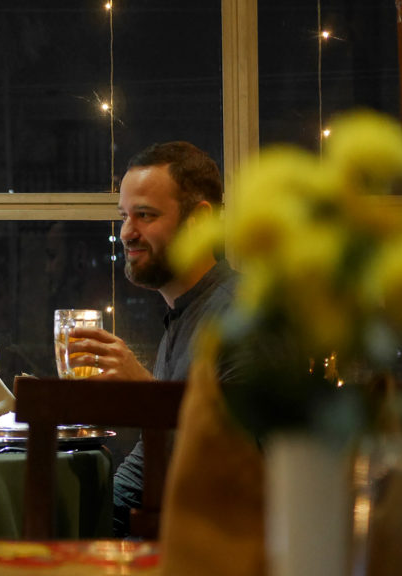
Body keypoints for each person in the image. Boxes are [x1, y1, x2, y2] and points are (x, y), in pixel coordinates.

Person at [65, 141, 238, 537]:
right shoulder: (186, 314)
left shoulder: (240, 317)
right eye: (124, 216)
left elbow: (238, 463)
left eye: (145, 215)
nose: (127, 233)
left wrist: (146, 394)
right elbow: (150, 461)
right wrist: (76, 526)